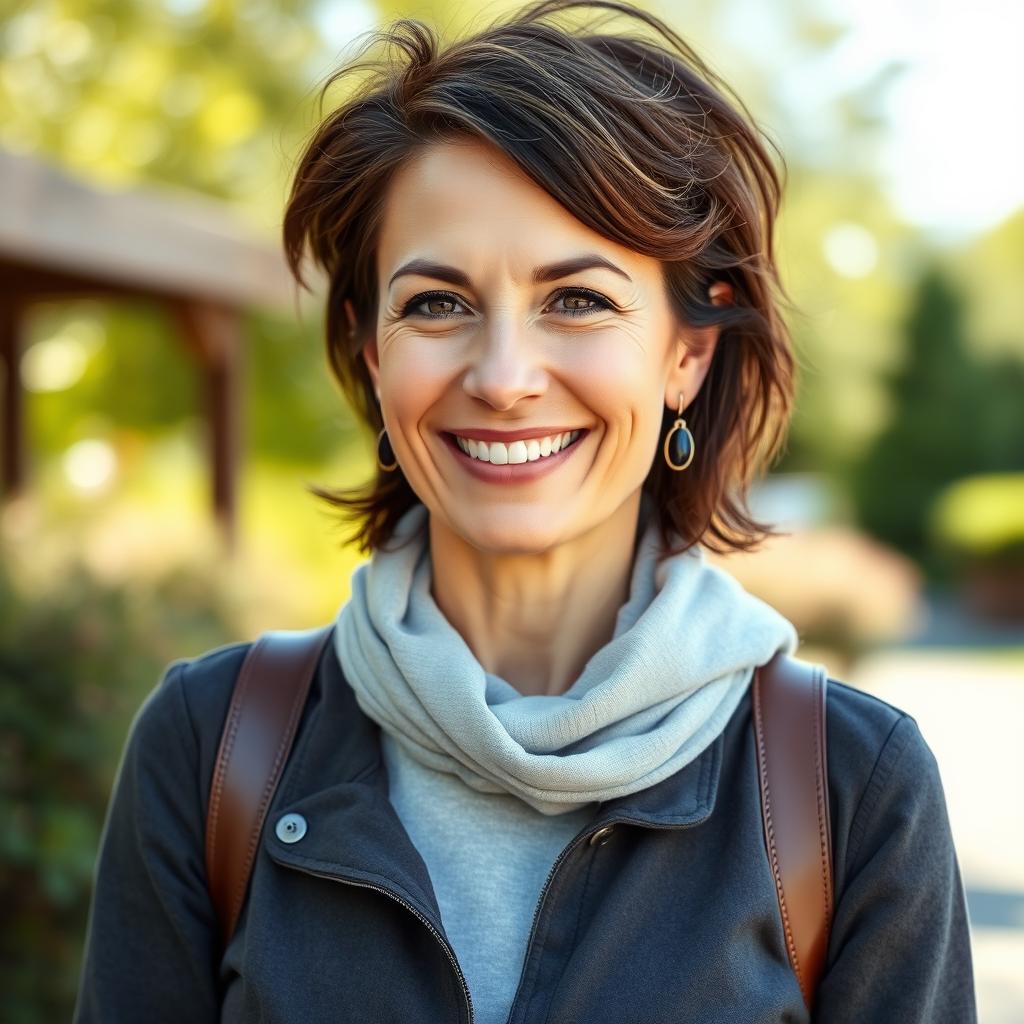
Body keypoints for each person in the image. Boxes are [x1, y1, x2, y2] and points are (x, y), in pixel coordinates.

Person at [72, 1, 977, 1021]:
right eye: (436, 303)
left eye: (577, 300)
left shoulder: (850, 787)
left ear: (687, 352)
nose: (503, 377)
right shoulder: (211, 747)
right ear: (375, 358)